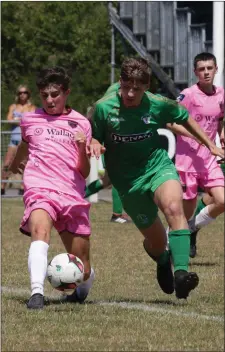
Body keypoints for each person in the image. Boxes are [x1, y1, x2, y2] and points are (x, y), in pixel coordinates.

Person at [88, 57, 224, 299]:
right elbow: (94, 135)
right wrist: (96, 143)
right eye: (126, 86)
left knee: (174, 208)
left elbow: (184, 117)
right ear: (120, 82)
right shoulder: (104, 107)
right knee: (157, 242)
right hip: (128, 181)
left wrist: (209, 144)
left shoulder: (158, 104)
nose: (130, 93)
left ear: (146, 88)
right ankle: (162, 260)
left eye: (137, 89)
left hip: (157, 166)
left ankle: (182, 275)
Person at [9, 67, 95, 309]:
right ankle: (36, 293)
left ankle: (82, 285)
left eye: (55, 94)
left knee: (83, 267)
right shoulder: (29, 120)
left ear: (66, 92)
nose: (49, 100)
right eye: (44, 95)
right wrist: (15, 162)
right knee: (39, 229)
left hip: (71, 193)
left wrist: (81, 148)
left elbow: (85, 171)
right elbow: (26, 144)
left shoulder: (80, 123)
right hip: (40, 188)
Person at [170, 52, 224, 258]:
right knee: (185, 212)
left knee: (222, 200)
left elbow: (219, 117)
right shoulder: (188, 95)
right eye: (202, 69)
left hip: (209, 159)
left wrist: (221, 131)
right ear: (195, 72)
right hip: (187, 161)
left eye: (210, 68)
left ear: (216, 69)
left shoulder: (221, 94)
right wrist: (198, 137)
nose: (206, 72)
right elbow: (170, 122)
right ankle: (171, 245)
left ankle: (193, 228)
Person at [85, 82, 132, 224]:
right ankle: (117, 214)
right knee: (117, 179)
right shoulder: (116, 89)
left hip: (117, 141)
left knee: (107, 180)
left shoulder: (122, 88)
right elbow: (103, 110)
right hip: (113, 142)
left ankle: (76, 196)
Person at [1, 85, 36, 196]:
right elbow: (9, 119)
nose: (22, 94)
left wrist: (17, 119)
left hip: (25, 141)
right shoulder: (13, 106)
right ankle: (2, 186)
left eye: (24, 92)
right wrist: (22, 120)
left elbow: (31, 121)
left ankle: (23, 188)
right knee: (7, 163)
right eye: (20, 92)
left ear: (28, 94)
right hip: (14, 140)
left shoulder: (32, 107)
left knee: (24, 164)